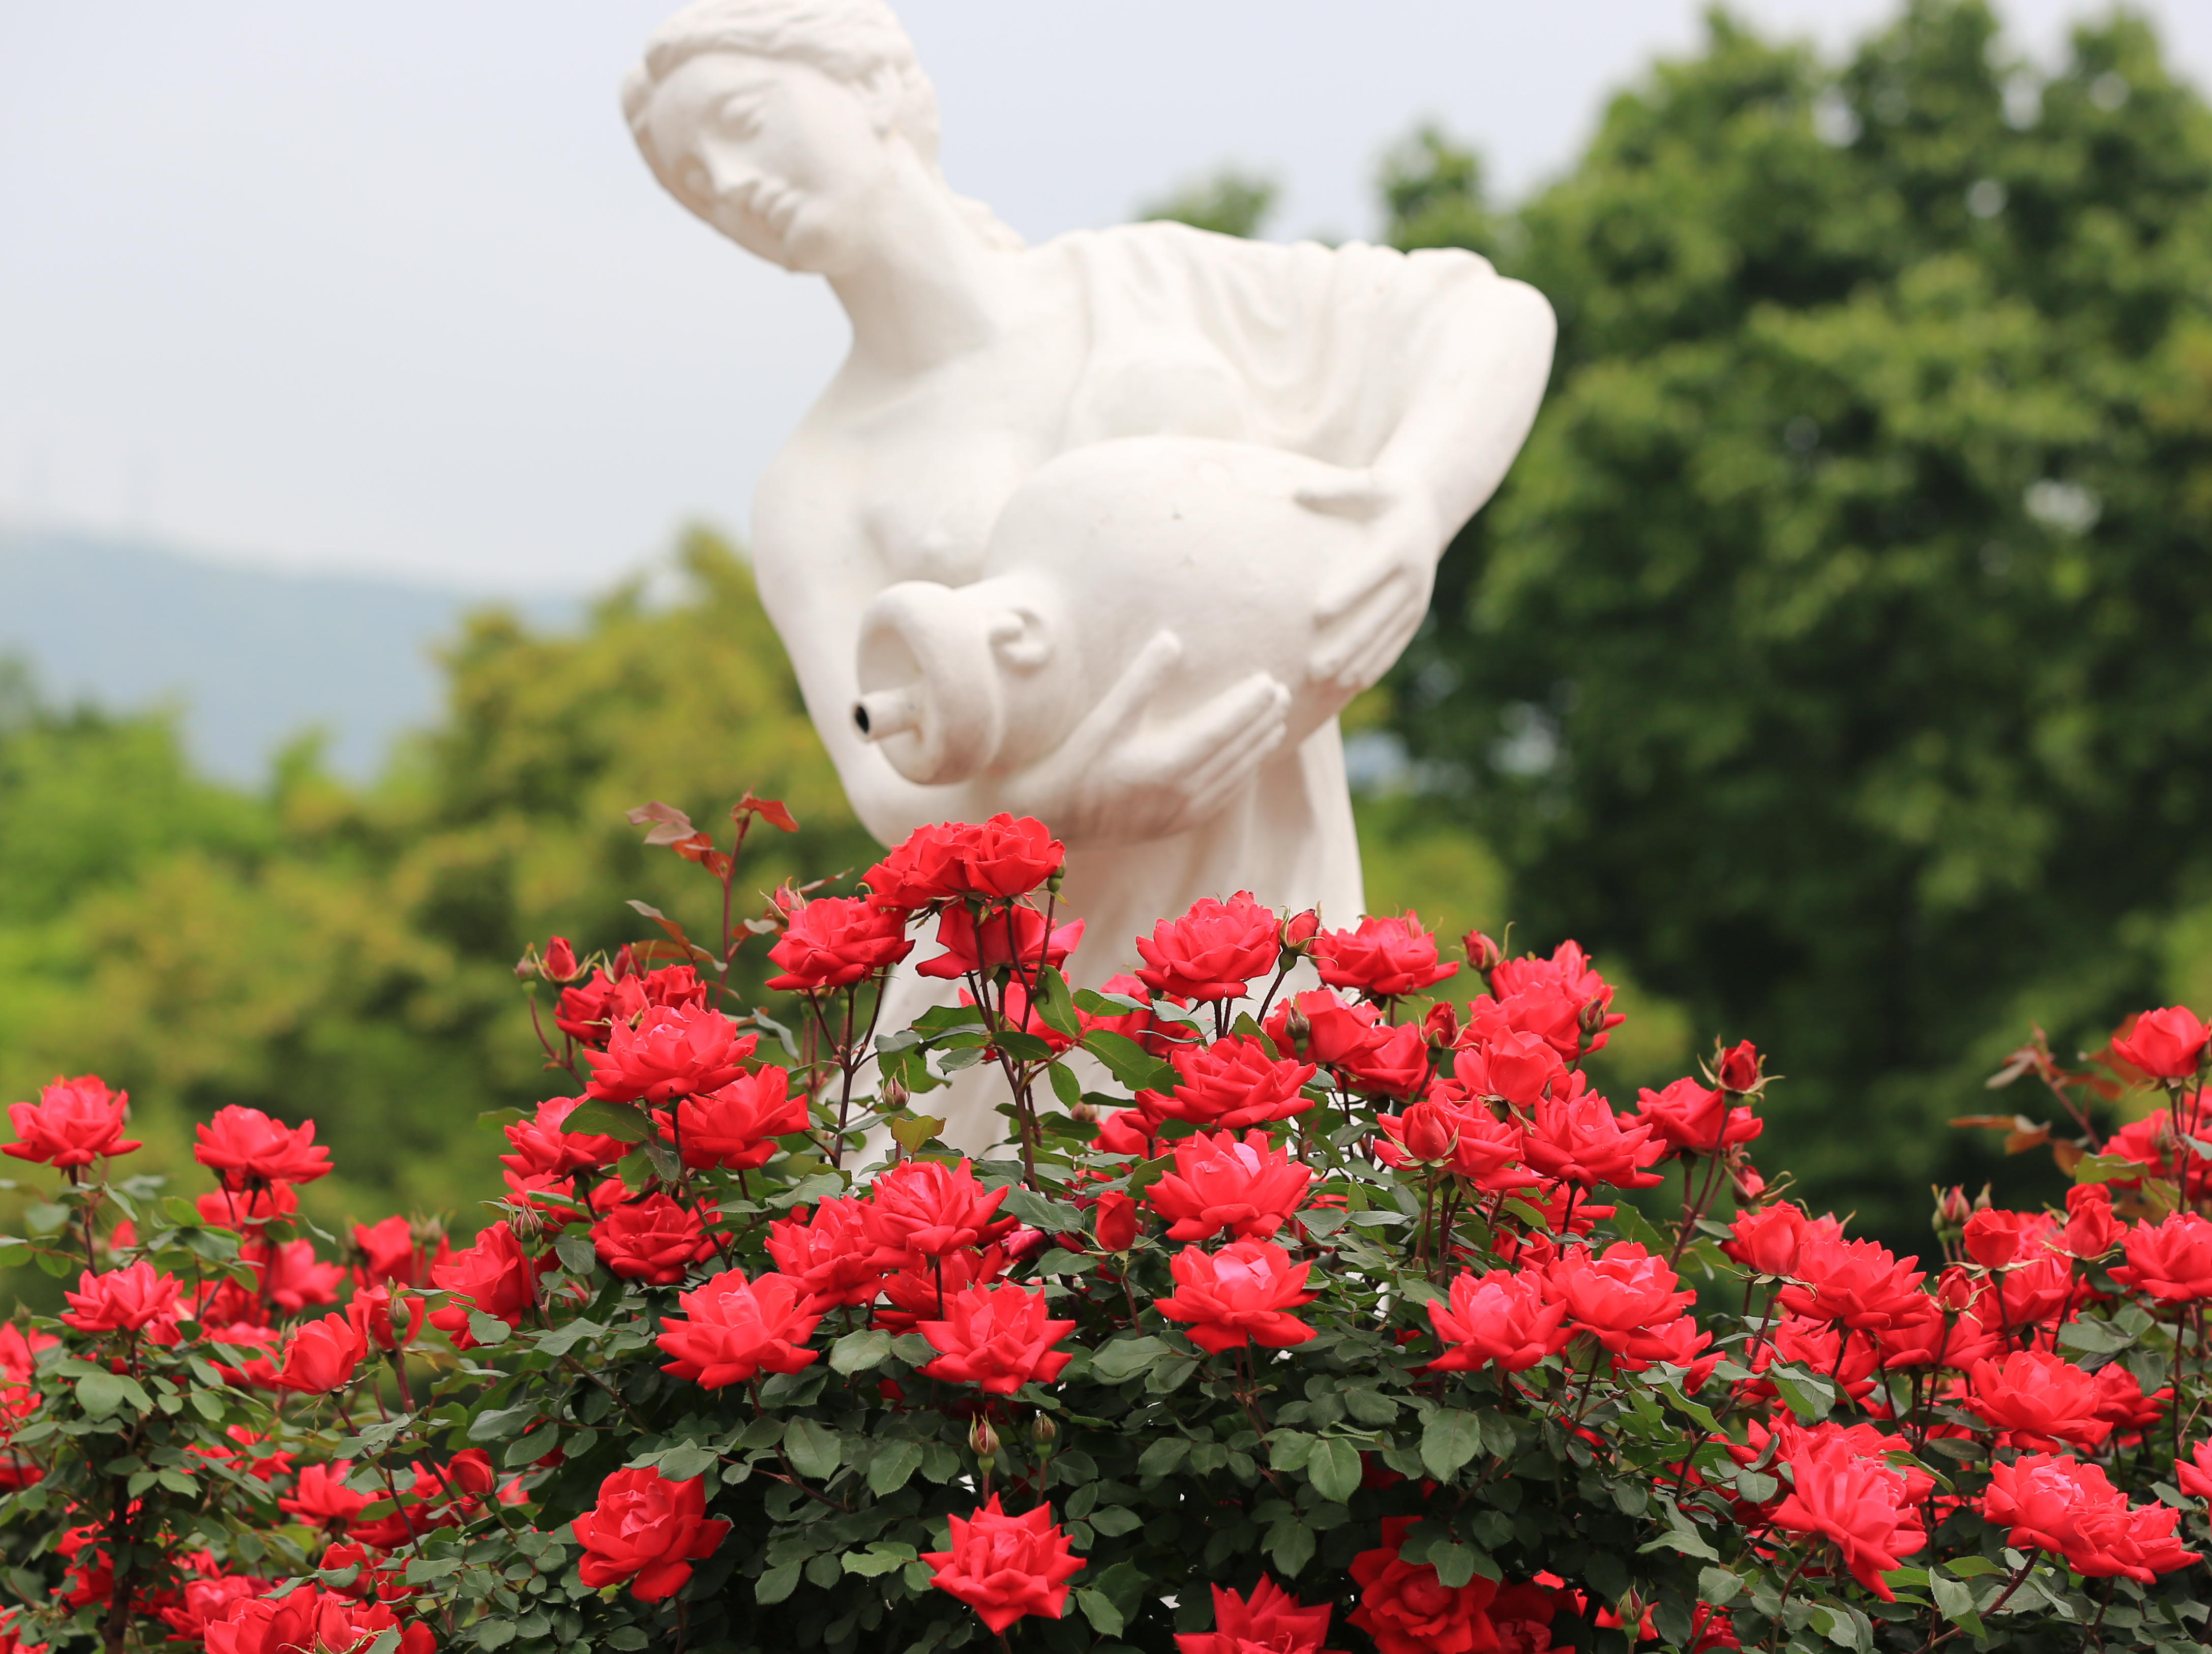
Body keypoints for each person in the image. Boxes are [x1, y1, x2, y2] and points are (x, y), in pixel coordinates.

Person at [623, 0, 1552, 1015]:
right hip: (1022, 1023)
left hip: (1270, 941)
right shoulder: (816, 488)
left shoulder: (1147, 284)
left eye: (746, 124)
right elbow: (893, 793)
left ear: (874, 83)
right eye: (694, 183)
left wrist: (1415, 503)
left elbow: (1485, 317)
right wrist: (1064, 802)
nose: (734, 187)